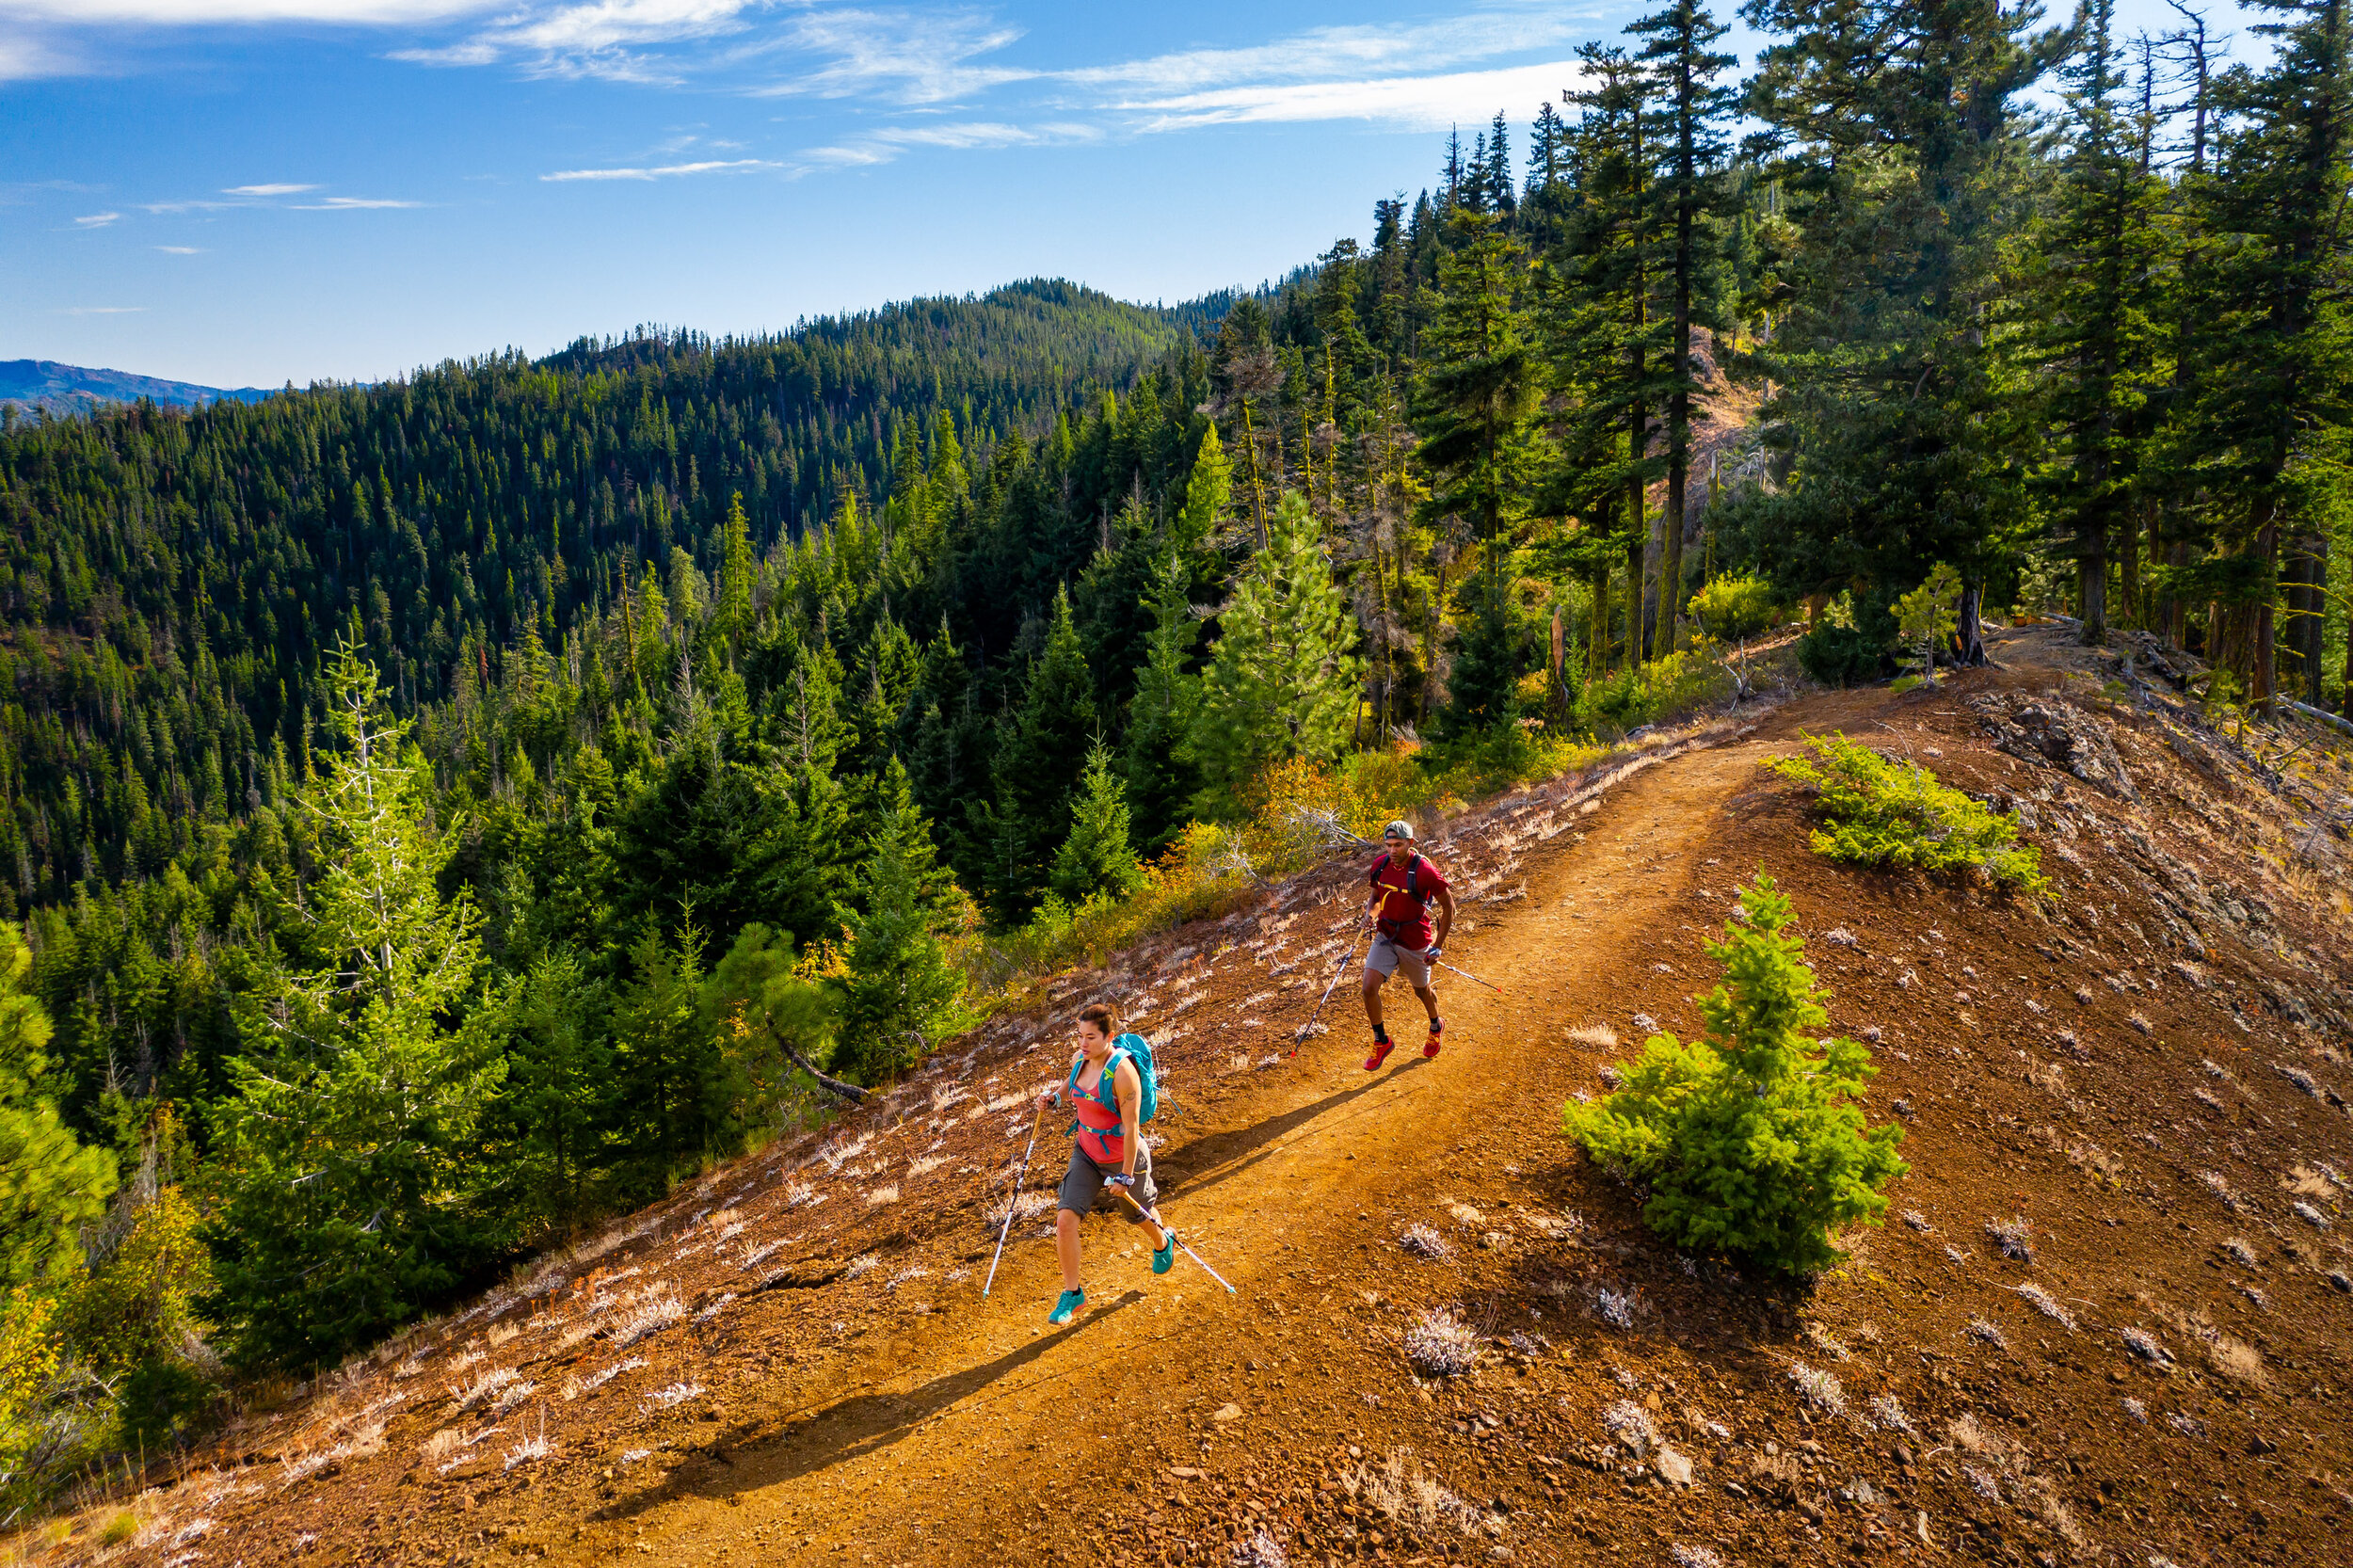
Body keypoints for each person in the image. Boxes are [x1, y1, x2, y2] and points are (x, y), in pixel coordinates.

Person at [1033, 1002, 1176, 1324]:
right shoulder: (1079, 1060)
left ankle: (1162, 1241)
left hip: (1122, 1157)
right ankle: (1073, 1294)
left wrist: (1125, 1176)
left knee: (1137, 1214)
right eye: (1080, 1036)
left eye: (1091, 1037)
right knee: (1065, 1219)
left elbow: (1131, 1128)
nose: (1083, 1044)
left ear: (1109, 1036)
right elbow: (1070, 1088)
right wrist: (1053, 1098)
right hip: (1086, 1152)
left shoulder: (1124, 1074)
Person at [1361, 819, 1455, 1071]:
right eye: (1388, 845)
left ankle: (1436, 1025)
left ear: (1410, 844)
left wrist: (1438, 945)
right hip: (1386, 935)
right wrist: (1371, 915)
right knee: (1368, 987)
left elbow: (1449, 906)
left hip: (1415, 941)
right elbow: (1377, 895)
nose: (1392, 851)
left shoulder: (1425, 871)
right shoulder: (1380, 866)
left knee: (1421, 991)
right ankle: (1381, 1041)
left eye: (1398, 845)